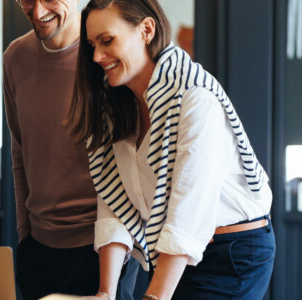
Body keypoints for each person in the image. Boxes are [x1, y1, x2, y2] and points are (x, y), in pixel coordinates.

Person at [67, 0, 275, 299]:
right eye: (91, 45)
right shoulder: (115, 104)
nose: (97, 56)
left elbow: (187, 214)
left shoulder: (195, 98)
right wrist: (105, 293)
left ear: (146, 30)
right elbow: (112, 200)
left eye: (107, 40)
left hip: (232, 254)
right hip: (172, 251)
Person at [3, 0, 139, 299]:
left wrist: (122, 246)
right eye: (27, 0)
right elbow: (20, 151)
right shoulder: (15, 57)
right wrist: (24, 236)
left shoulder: (106, 55)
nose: (37, 12)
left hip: (103, 250)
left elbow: (131, 158)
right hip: (38, 251)